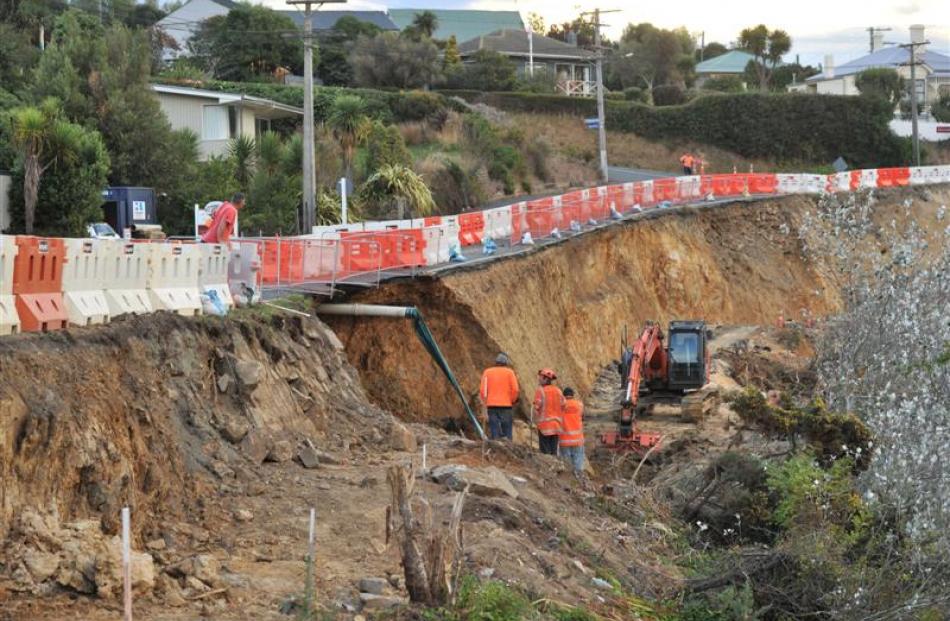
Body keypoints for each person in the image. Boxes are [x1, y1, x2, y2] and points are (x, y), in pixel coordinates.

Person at [479, 353, 520, 440]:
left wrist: (485, 403)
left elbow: (483, 390)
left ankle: (496, 449)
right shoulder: (510, 372)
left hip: (491, 406)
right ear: (506, 363)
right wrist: (512, 400)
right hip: (506, 406)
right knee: (507, 432)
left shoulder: (487, 372)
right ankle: (508, 449)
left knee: (494, 431)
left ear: (496, 362)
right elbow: (515, 390)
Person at [532, 369, 564, 456]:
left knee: (545, 454)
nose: (539, 379)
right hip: (556, 427)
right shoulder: (559, 391)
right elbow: (563, 405)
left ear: (546, 379)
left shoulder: (541, 391)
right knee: (553, 452)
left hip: (545, 427)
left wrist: (535, 422)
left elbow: (536, 408)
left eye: (541, 377)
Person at [559, 387, 585, 473]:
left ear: (563, 395)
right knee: (578, 465)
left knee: (567, 466)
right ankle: (579, 480)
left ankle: (570, 482)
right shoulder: (579, 405)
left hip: (564, 440)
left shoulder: (560, 406)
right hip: (577, 440)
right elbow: (582, 416)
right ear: (573, 395)